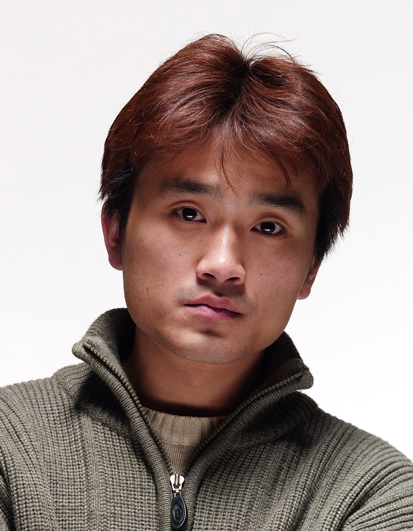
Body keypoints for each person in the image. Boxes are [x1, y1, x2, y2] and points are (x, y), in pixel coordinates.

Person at [1, 34, 412, 531]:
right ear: (115, 232)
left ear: (311, 267)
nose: (223, 265)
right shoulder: (10, 448)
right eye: (189, 213)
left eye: (268, 227)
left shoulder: (371, 494)